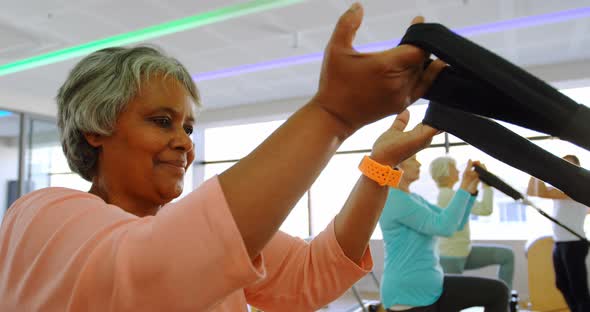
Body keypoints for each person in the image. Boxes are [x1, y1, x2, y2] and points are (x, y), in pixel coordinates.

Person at [0, 3, 446, 311]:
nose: (184, 142)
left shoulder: (185, 229)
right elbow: (149, 272)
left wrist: (378, 169)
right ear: (96, 129)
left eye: (188, 127)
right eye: (161, 121)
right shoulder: (40, 215)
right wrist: (331, 115)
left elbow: (310, 275)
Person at [380, 155, 509, 312]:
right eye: (413, 159)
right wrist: (463, 186)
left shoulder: (413, 198)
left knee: (497, 291)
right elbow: (445, 228)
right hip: (409, 295)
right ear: (397, 165)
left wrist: (470, 190)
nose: (419, 163)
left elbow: (456, 225)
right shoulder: (395, 199)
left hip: (433, 286)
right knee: (497, 291)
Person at [430, 156, 514, 289]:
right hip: (451, 257)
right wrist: (486, 186)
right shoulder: (449, 195)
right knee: (453, 298)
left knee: (506, 255)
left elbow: (472, 207)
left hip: (464, 251)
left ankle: (506, 299)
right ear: (446, 172)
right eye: (455, 169)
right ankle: (504, 299)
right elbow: (485, 209)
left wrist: (475, 184)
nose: (458, 171)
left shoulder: (451, 194)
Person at [527, 154, 590, 312]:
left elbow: (541, 192)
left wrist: (539, 167)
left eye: (567, 165)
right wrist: (533, 168)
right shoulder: (559, 187)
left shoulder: (577, 189)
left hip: (574, 243)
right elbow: (532, 191)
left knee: (578, 288)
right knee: (561, 284)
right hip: (560, 242)